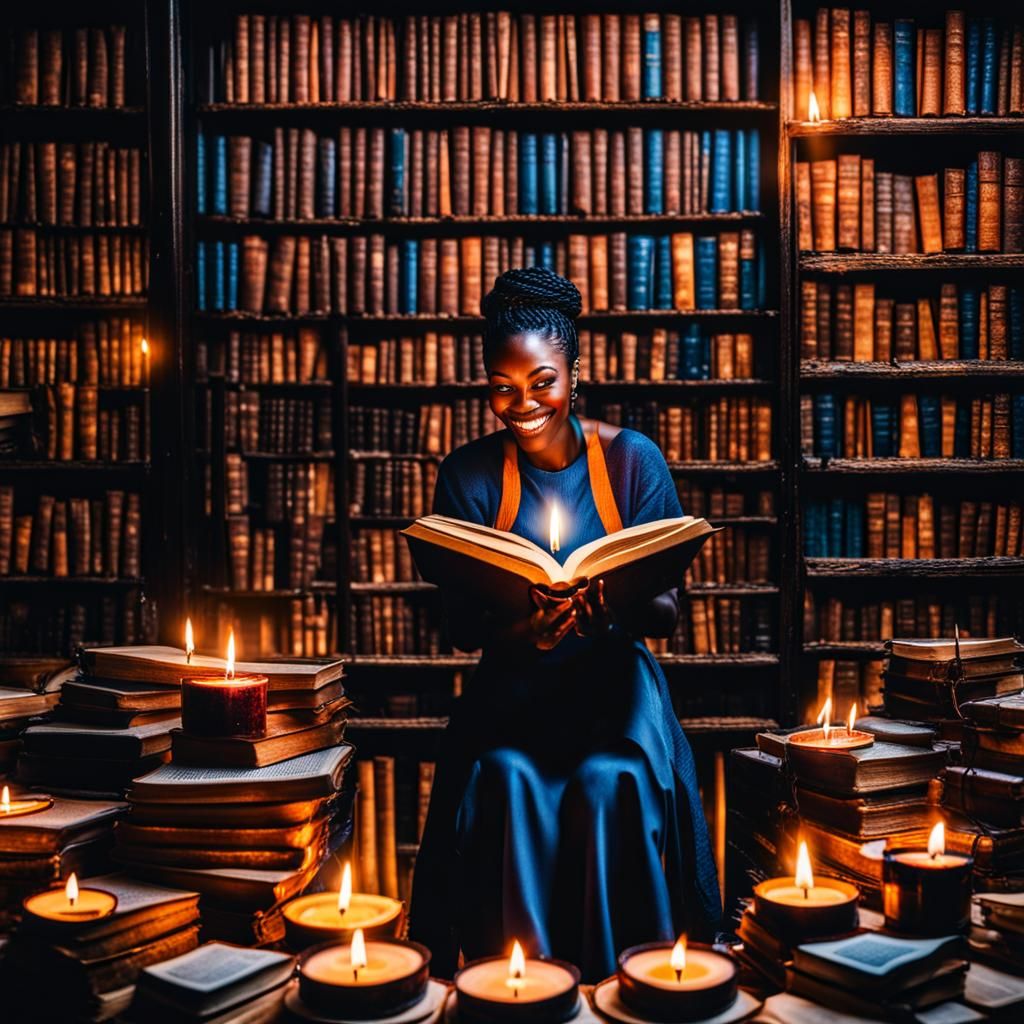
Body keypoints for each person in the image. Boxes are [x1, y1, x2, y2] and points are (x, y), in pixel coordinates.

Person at [408, 266, 720, 982]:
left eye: (542, 382)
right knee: (506, 779)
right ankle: (518, 982)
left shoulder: (633, 460)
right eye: (502, 387)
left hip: (616, 699)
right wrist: (528, 631)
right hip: (514, 699)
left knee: (614, 782)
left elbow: (668, 613)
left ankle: (624, 977)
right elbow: (459, 625)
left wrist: (609, 611)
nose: (523, 405)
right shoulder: (467, 475)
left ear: (574, 373)